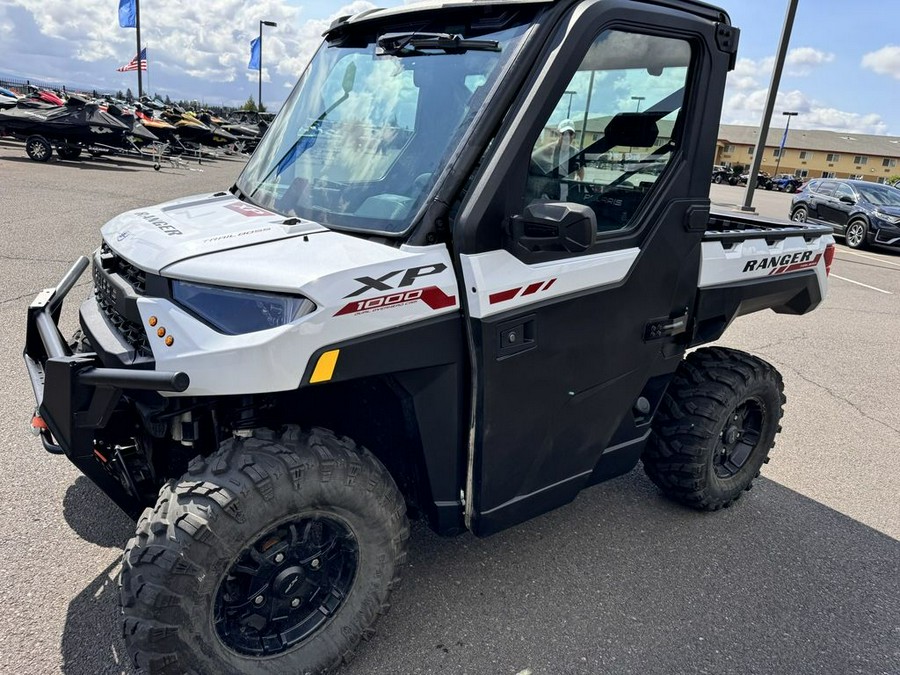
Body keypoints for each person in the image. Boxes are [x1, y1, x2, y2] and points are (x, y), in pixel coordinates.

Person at [529, 119, 584, 201]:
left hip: (567, 194)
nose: (567, 137)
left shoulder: (575, 152)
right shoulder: (547, 150)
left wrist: (577, 180)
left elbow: (580, 172)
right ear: (558, 134)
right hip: (549, 195)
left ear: (574, 135)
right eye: (564, 133)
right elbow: (530, 161)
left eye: (570, 133)